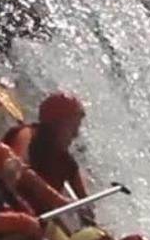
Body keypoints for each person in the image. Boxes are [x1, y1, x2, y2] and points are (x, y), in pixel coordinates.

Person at [5, 92, 93, 220]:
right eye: (73, 127)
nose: (75, 135)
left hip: (35, 222)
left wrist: (89, 216)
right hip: (7, 208)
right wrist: (58, 200)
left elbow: (85, 201)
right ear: (55, 123)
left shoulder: (68, 163)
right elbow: (17, 168)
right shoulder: (27, 134)